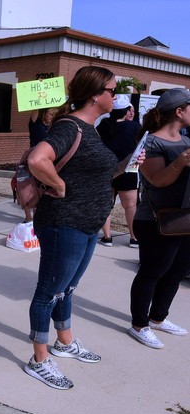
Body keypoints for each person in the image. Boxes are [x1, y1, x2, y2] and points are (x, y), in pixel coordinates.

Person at [23, 66, 123, 390]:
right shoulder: (69, 127)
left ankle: (63, 341)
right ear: (96, 94)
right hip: (63, 223)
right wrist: (60, 186)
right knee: (48, 292)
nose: (116, 96)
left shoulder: (91, 128)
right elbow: (38, 159)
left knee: (67, 288)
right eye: (112, 90)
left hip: (87, 224)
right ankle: (38, 360)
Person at [127, 87, 190, 349]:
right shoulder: (151, 142)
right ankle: (139, 324)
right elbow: (157, 180)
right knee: (152, 272)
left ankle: (158, 317)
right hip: (156, 220)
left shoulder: (186, 140)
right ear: (179, 111)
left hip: (183, 218)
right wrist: (181, 162)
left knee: (177, 271)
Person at [97, 95, 141, 247]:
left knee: (105, 203)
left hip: (105, 168)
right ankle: (134, 238)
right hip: (128, 169)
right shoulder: (134, 127)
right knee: (130, 205)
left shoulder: (102, 125)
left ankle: (107, 237)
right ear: (127, 110)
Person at [22, 107, 59, 221]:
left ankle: (38, 215)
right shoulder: (36, 124)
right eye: (50, 114)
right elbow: (34, 111)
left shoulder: (52, 128)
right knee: (27, 187)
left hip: (45, 161)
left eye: (53, 115)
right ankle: (28, 217)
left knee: (41, 188)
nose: (51, 117)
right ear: (43, 114)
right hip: (33, 158)